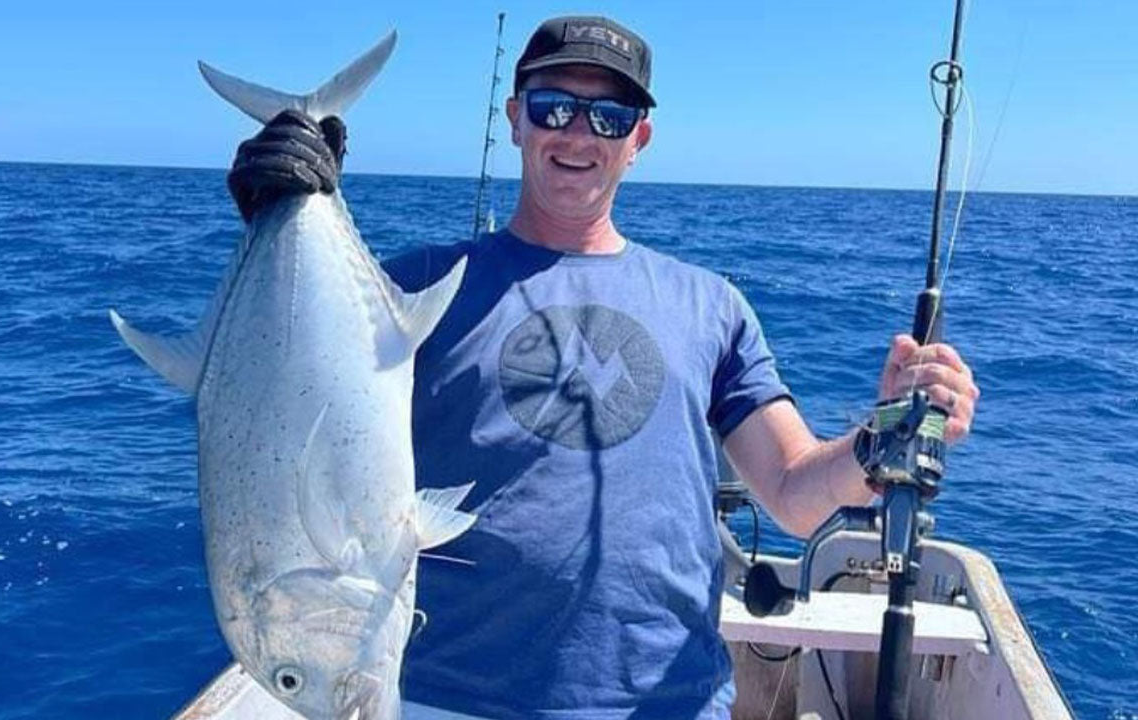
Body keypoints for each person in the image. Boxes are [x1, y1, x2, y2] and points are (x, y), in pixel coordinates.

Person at [226, 15, 980, 720]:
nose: (579, 133)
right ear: (515, 117)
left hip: (668, 698)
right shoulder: (411, 289)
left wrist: (881, 441)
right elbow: (283, 399)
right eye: (555, 107)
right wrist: (279, 212)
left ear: (639, 137)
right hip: (445, 696)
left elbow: (792, 491)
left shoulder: (710, 305)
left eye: (609, 118)